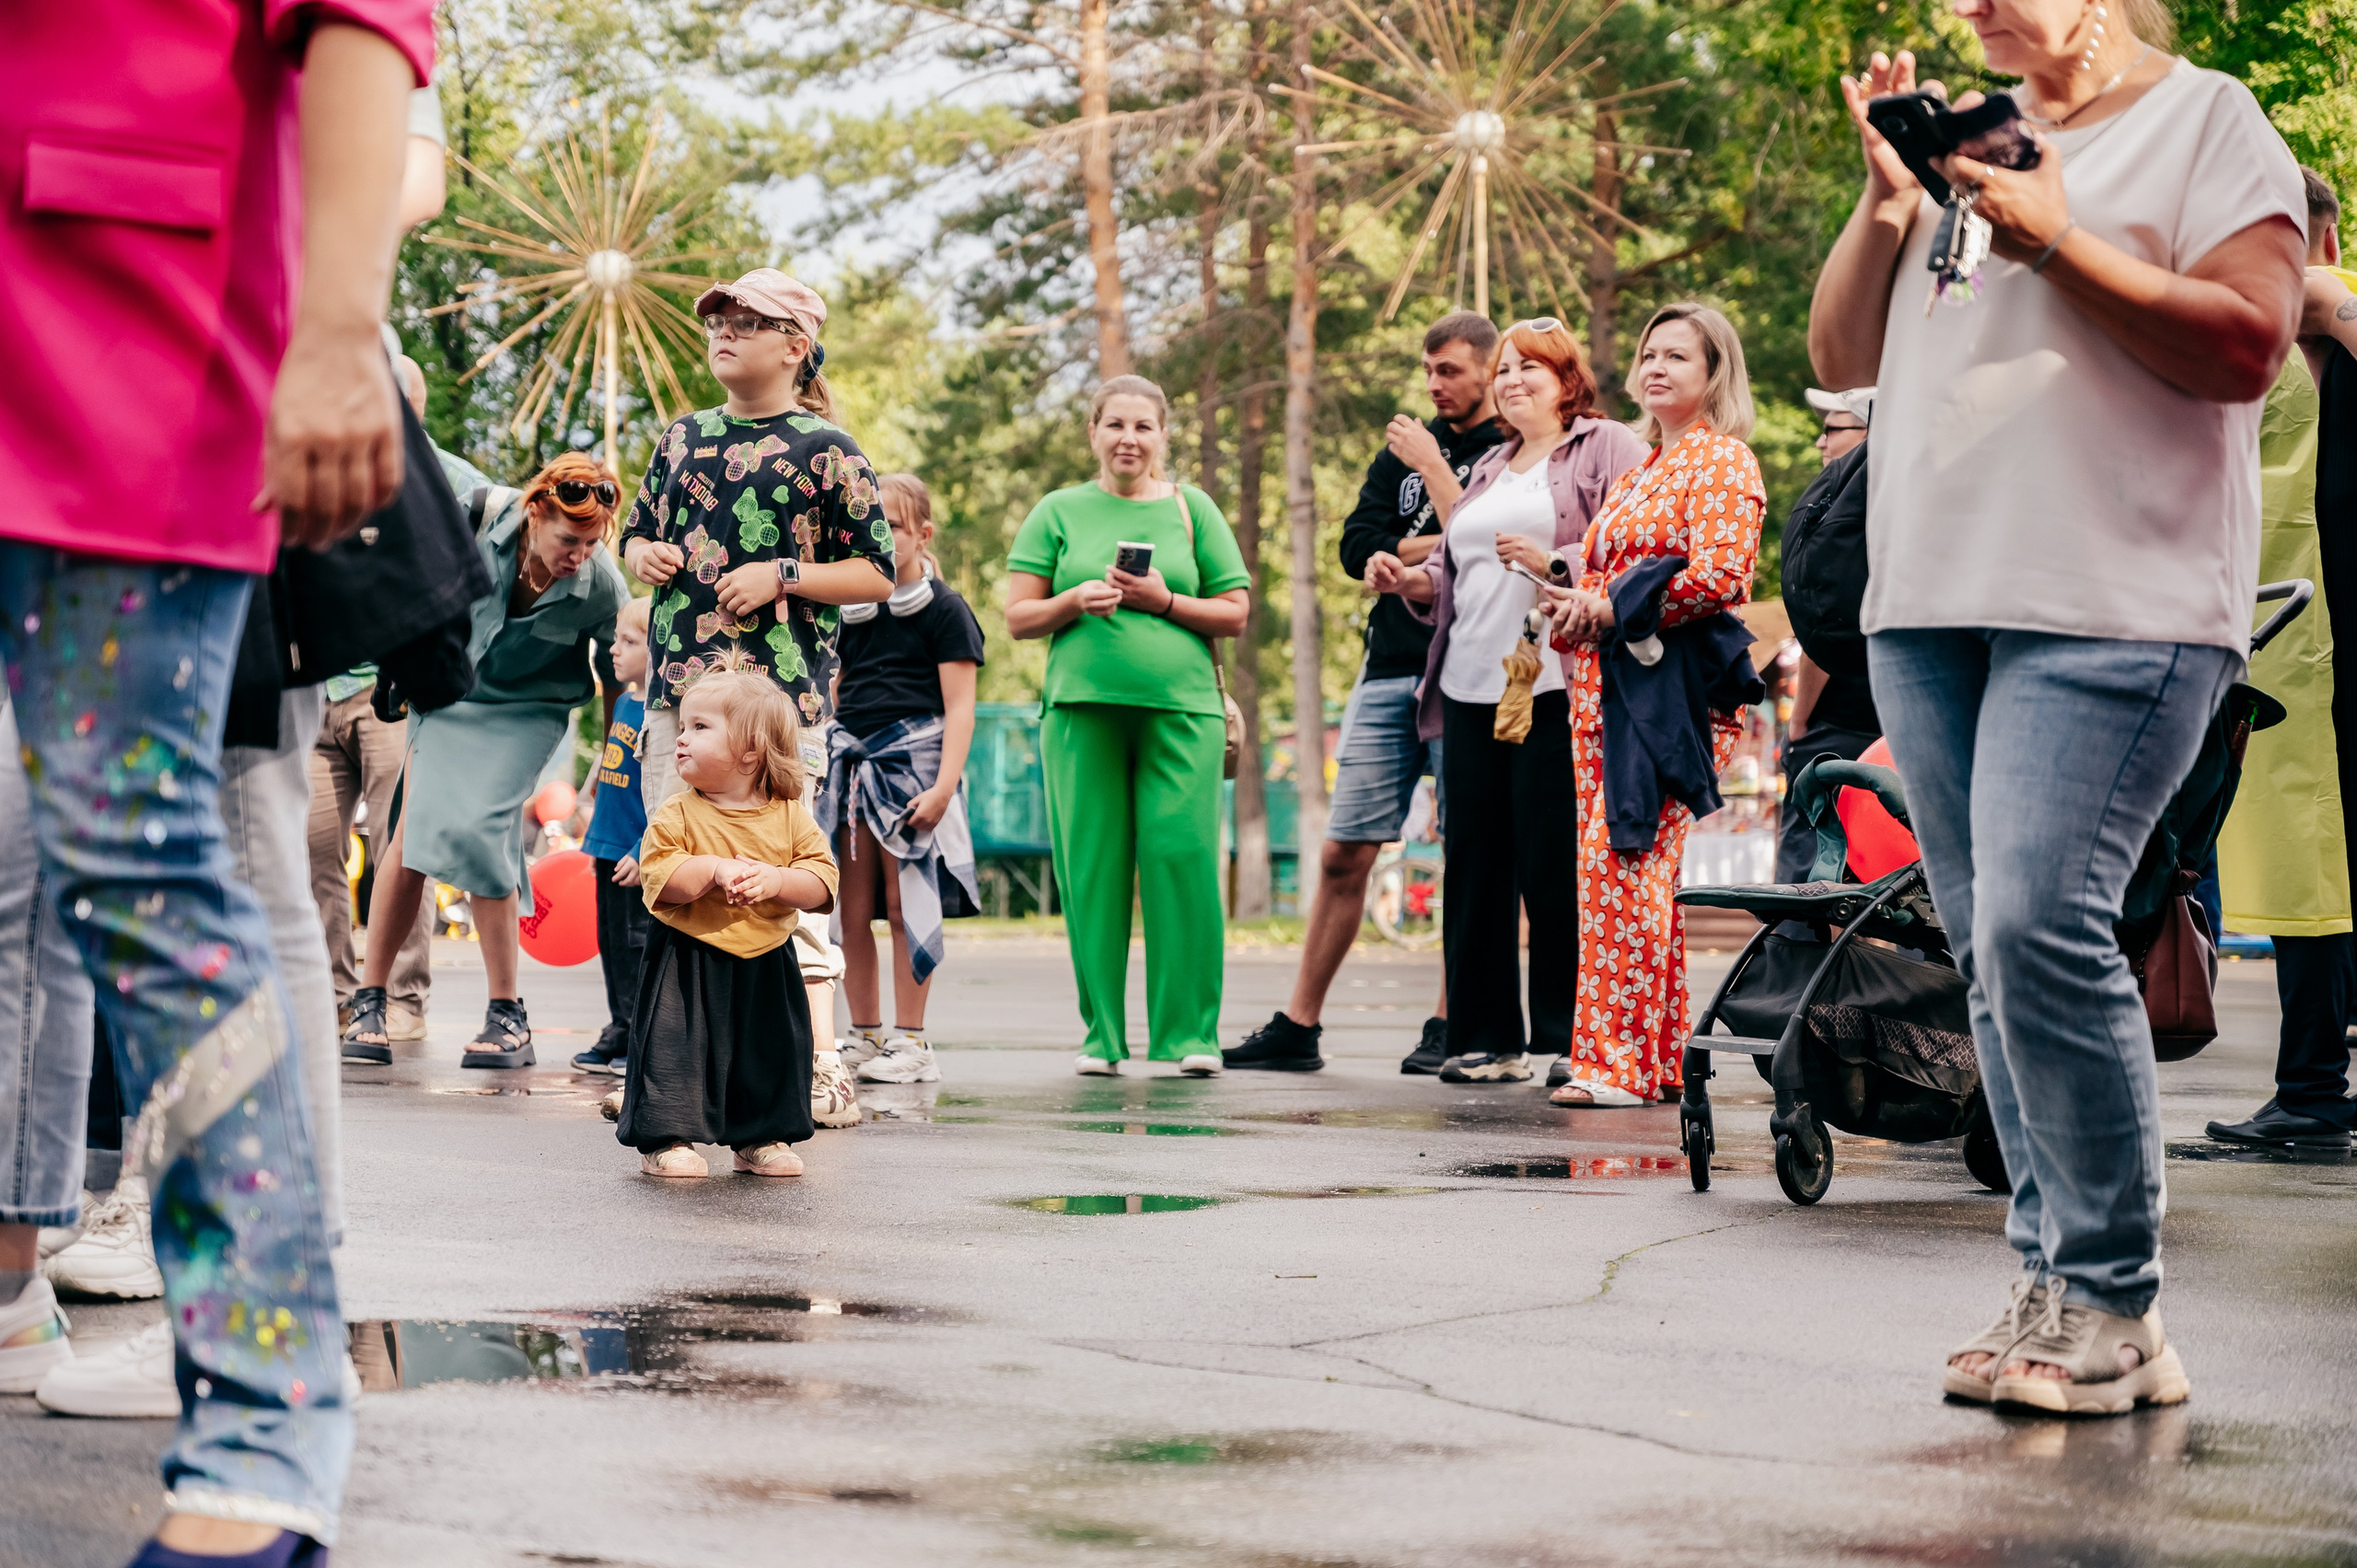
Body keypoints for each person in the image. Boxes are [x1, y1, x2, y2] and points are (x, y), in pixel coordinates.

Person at [1810, 0, 2305, 1413]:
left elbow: (2247, 343)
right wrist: (1885, 203)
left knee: (2043, 918)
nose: (1976, 10)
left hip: (2117, 595)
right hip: (1930, 601)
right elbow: (1850, 352)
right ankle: (2054, 1280)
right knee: (1991, 957)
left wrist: (2058, 242)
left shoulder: (2206, 121)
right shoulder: (1968, 150)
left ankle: (2115, 1296)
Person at [0, 5, 432, 1562]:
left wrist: (335, 331)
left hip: (122, 340)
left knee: (142, 869)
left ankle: (263, 1427)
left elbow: (364, 24)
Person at [1224, 311, 1508, 1076]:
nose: (1433, 384)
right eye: (1427, 369)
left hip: (1469, 670)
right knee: (1345, 848)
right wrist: (1415, 539)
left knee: (1468, 854)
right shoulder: (1402, 454)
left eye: (1449, 369)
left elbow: (1482, 535)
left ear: (1489, 368)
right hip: (1389, 667)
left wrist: (1422, 521)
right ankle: (1298, 1024)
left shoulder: (1511, 448)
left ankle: (1453, 1021)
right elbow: (1357, 545)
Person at [1365, 320, 1648, 1086]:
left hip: (1557, 683)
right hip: (1470, 683)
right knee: (1476, 861)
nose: (1512, 379)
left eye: (1531, 368)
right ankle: (1485, 1036)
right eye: (1505, 370)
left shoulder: (1605, 447)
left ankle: (1565, 1036)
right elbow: (1458, 573)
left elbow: (1639, 542)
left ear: (1568, 382)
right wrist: (1407, 579)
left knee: (1554, 861)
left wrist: (1559, 561)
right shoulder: (1490, 464)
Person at [1541, 304, 1766, 1107]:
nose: (1658, 366)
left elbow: (1721, 577)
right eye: (1649, 353)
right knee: (1626, 872)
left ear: (1714, 374)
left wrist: (1610, 606)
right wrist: (1575, 606)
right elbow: (1612, 581)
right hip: (1603, 691)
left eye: (1679, 355)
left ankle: (1613, 1065)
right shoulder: (1641, 470)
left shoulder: (1723, 461)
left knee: (1622, 862)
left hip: (1672, 699)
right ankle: (1656, 1060)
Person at [342, 454, 632, 1065]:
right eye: (567, 539)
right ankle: (370, 998)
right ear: (536, 513)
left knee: (484, 824)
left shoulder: (601, 581)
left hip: (528, 711)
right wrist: (398, 665)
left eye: (591, 542)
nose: (579, 554)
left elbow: (617, 674)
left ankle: (507, 1012)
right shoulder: (475, 521)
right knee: (411, 828)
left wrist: (613, 761)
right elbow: (407, 583)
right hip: (448, 691)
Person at [1005, 376, 1252, 1076]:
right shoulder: (1058, 510)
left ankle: (1190, 1035)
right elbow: (1019, 616)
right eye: (1115, 425)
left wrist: (1163, 598)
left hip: (1184, 713)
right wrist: (1074, 599)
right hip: (1083, 710)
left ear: (1162, 435)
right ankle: (1102, 1037)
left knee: (1183, 859)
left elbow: (1234, 611)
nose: (1129, 439)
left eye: (1143, 427)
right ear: (1093, 432)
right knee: (1093, 871)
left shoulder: (1191, 508)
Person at [619, 268, 895, 813]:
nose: (725, 333)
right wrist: (643, 556)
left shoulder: (829, 449)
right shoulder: (680, 437)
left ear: (796, 346)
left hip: (778, 708)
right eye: (719, 323)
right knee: (680, 882)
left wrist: (782, 575)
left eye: (747, 323)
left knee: (768, 885)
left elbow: (877, 575)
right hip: (679, 706)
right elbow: (635, 536)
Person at [2212, 168, 2357, 1150]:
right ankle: (2308, 1084)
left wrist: (2334, 302)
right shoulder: (2244, 355)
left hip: (2327, 640)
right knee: (2307, 869)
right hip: (2276, 642)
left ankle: (2312, 1085)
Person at [310, 355, 488, 1048]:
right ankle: (334, 996)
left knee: (399, 846)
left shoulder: (455, 479)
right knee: (312, 848)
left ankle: (400, 997)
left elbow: (487, 565)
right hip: (317, 687)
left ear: (412, 407)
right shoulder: (332, 457)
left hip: (393, 689)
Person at [614, 669, 839, 1179]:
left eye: (699, 727)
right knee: (676, 1051)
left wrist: (777, 881)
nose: (682, 737)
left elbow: (823, 882)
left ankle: (759, 1135)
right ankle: (666, 1139)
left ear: (751, 751)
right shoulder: (678, 813)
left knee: (768, 1050)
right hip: (687, 957)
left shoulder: (789, 817)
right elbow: (660, 874)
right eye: (683, 726)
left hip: (766, 958)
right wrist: (713, 869)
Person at [821, 474, 984, 1086]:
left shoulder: (944, 609)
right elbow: (831, 692)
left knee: (902, 902)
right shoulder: (848, 612)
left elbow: (960, 709)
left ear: (923, 533)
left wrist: (943, 789)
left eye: (890, 524)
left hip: (915, 768)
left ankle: (912, 1040)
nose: (879, 537)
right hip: (852, 772)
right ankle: (864, 1034)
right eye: (868, 526)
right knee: (849, 906)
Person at [1775, 387, 1881, 885]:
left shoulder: (1847, 510)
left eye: (1834, 428)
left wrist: (1799, 724)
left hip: (1838, 723)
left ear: (1869, 432)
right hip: (1894, 722)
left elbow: (1824, 625)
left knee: (1809, 880)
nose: (1821, 442)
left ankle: (1801, 965)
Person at [572, 597, 656, 1075]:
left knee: (636, 943)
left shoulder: (666, 713)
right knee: (610, 942)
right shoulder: (624, 702)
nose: (615, 650)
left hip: (634, 854)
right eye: (615, 640)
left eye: (629, 642)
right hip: (606, 847)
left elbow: (669, 795)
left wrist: (644, 850)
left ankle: (640, 1035)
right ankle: (620, 1023)